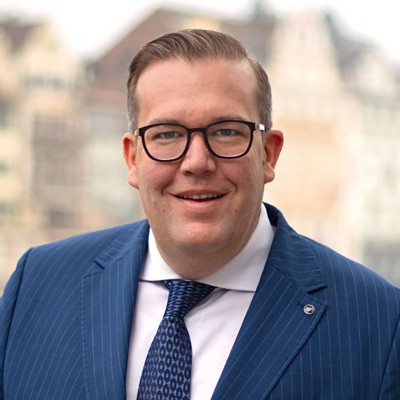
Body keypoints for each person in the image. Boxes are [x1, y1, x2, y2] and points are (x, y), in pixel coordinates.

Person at [0, 28, 399, 400]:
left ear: (268, 154)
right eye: (167, 134)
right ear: (132, 158)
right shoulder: (37, 286)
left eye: (225, 131)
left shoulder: (378, 322)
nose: (196, 162)